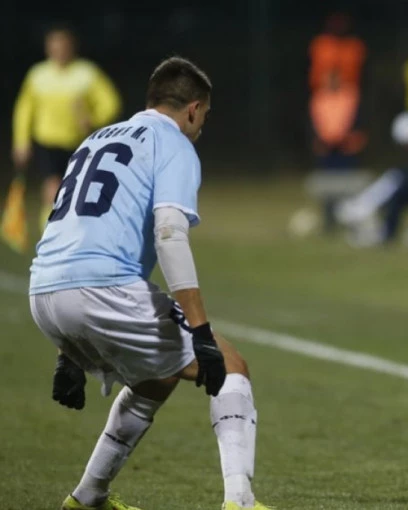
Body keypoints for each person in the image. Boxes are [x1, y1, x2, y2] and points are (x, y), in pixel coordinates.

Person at [28, 57, 272, 510]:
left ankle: (88, 497)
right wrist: (200, 331)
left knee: (157, 377)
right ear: (193, 109)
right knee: (231, 367)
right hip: (102, 289)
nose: (202, 126)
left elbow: (75, 230)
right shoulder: (172, 142)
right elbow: (169, 234)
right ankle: (240, 501)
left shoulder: (96, 139)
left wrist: (68, 351)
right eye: (204, 116)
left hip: (43, 289)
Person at [12, 25, 121, 233]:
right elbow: (24, 110)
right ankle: (50, 233)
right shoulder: (38, 75)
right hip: (48, 142)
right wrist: (21, 142)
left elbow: (110, 103)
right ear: (47, 48)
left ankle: (76, 232)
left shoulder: (87, 73)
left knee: (78, 191)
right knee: (52, 188)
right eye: (54, 46)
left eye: (63, 46)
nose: (59, 51)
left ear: (72, 47)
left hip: (80, 142)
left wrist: (94, 119)